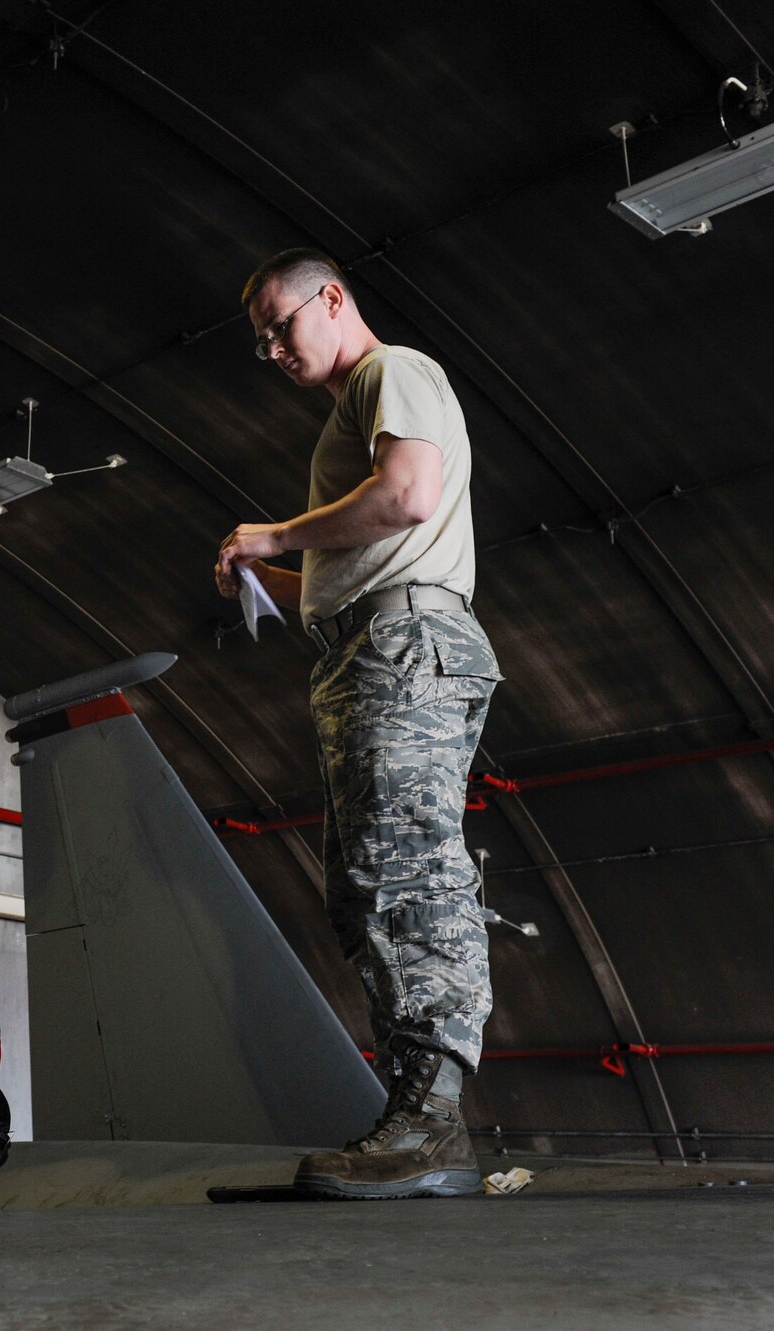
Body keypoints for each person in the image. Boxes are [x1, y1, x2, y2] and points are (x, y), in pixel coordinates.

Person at [214, 248, 501, 1201]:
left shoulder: (394, 372)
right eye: (259, 339)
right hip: (366, 645)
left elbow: (410, 494)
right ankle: (415, 1109)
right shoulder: (353, 411)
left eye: (279, 326)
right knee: (368, 881)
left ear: (332, 300)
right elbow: (360, 561)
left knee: (407, 871)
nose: (272, 349)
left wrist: (276, 534)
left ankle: (429, 1119)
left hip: (404, 644)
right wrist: (275, 574)